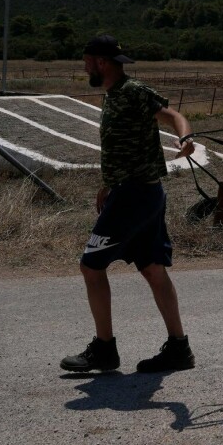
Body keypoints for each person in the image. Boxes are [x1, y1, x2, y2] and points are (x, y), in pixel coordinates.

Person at [61, 35, 196, 374]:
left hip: (136, 196)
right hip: (139, 192)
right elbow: (123, 146)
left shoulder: (133, 92)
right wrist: (108, 183)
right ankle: (179, 348)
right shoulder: (112, 96)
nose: (85, 66)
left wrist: (186, 137)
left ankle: (105, 350)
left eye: (87, 61)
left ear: (101, 62)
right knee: (152, 268)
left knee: (91, 268)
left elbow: (172, 115)